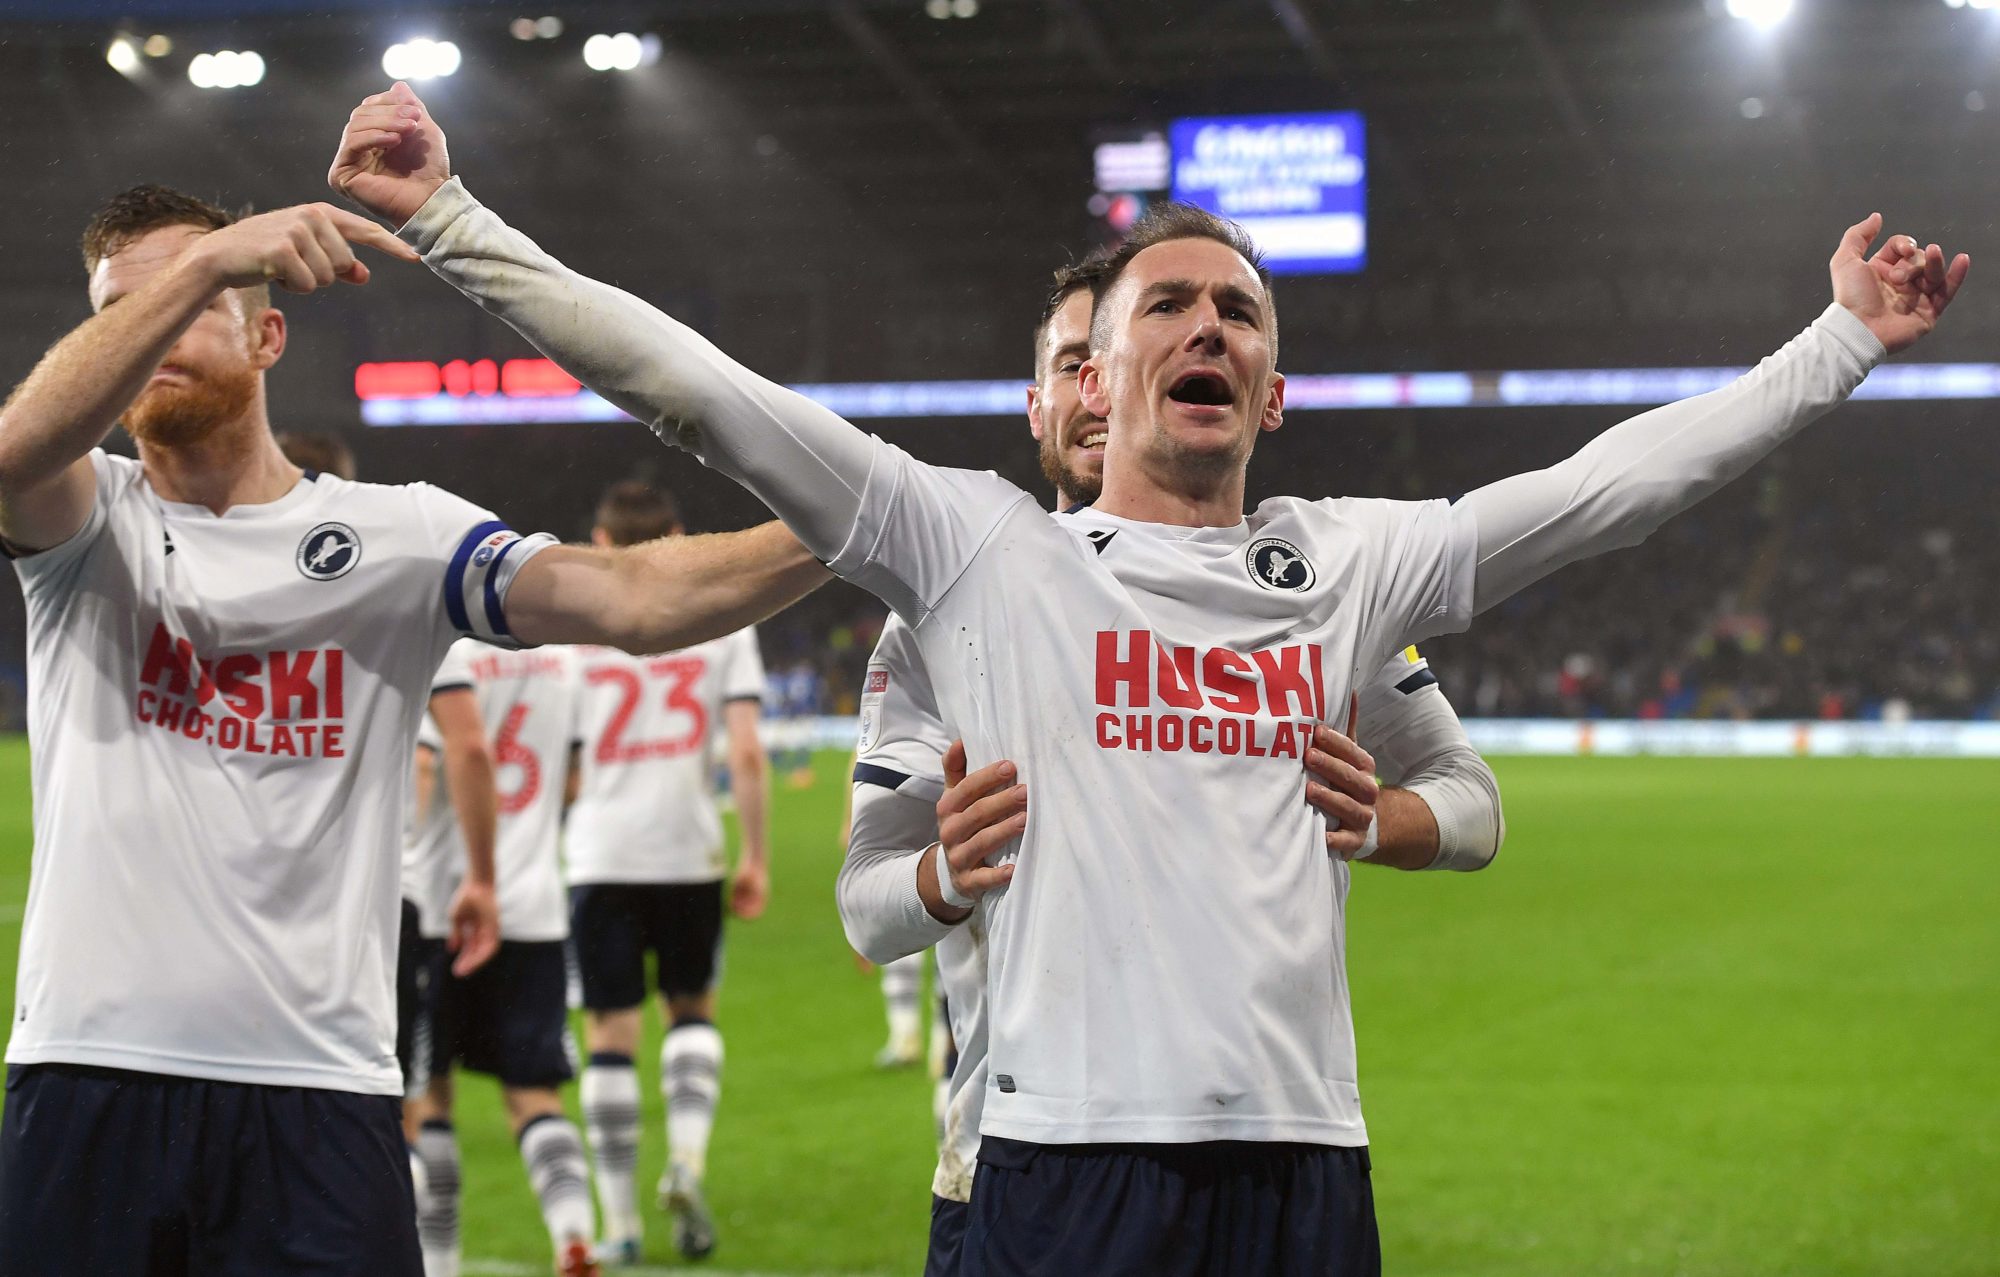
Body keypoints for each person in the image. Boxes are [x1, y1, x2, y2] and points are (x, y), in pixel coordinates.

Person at [336, 83, 1966, 1274]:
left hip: (1303, 1162)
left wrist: (1836, 344)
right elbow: (695, 389)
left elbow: (1614, 488)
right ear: (1092, 381)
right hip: (1060, 1166)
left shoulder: (1350, 564)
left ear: (1274, 388)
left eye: (1238, 312)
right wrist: (451, 223)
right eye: (1166, 305)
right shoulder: (973, 548)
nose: (1208, 326)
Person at [0, 181, 827, 1276]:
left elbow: (635, 599)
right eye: (121, 311)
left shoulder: (398, 537)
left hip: (320, 1095)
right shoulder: (84, 520)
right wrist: (199, 269)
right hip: (89, 1074)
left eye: (193, 305)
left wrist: (867, 516)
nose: (149, 332)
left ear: (270, 336)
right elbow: (8, 455)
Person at [839, 255, 1505, 1274]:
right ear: (1046, 401)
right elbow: (867, 911)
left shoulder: (1305, 602)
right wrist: (943, 872)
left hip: (1257, 1154)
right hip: (1009, 1163)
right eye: (1071, 363)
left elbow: (1475, 805)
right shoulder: (950, 616)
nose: (1091, 393)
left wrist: (1375, 816)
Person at [273, 433, 505, 1211]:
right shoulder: (399, 589)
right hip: (372, 898)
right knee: (376, 1101)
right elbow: (462, 744)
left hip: (263, 905)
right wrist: (480, 875)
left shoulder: (218, 591)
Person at [566, 481, 771, 1265]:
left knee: (609, 1033)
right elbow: (745, 751)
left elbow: (563, 762)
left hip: (600, 852)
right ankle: (685, 1158)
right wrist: (754, 854)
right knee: (690, 1010)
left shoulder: (575, 632)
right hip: (689, 848)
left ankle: (619, 1223)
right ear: (679, 536)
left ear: (600, 542)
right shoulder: (721, 624)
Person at [405, 638, 598, 1277]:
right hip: (535, 908)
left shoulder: (444, 650)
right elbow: (572, 781)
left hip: (445, 907)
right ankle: (574, 1234)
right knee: (535, 1095)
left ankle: (438, 1263)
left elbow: (431, 763)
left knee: (429, 1098)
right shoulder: (563, 660)